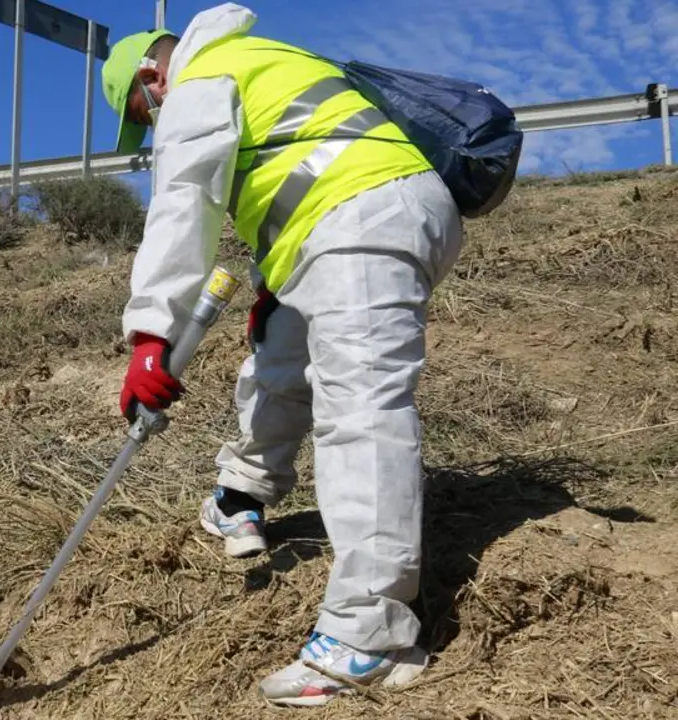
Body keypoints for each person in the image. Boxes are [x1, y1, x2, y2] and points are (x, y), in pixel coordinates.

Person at [102, 3, 464, 707]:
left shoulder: (201, 79)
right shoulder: (268, 58)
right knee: (281, 351)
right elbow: (304, 154)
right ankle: (240, 494)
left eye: (144, 115)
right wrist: (277, 276)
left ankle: (369, 638)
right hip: (357, 217)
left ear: (153, 74)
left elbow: (183, 209)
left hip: (357, 218)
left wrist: (151, 337)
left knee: (359, 412)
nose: (152, 126)